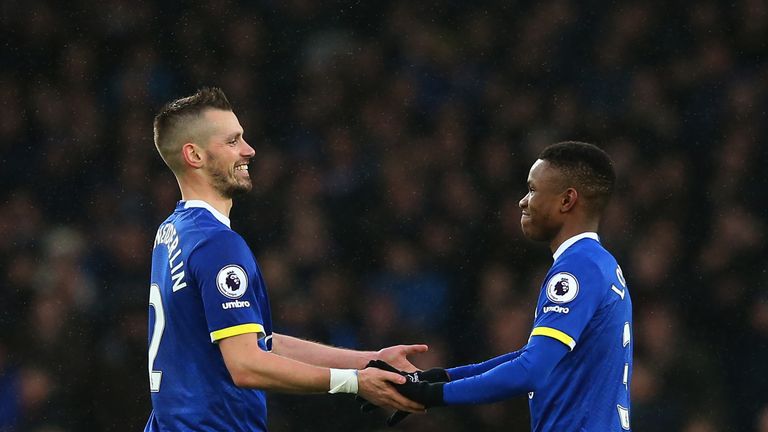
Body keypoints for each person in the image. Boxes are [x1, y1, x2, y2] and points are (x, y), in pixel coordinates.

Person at [144, 87, 425, 431]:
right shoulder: (217, 245)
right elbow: (246, 364)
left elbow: (262, 344)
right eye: (232, 142)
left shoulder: (173, 231)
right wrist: (353, 382)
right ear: (195, 155)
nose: (249, 150)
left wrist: (371, 360)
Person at [377, 142, 633, 431]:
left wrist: (433, 395)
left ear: (567, 201)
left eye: (533, 190)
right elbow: (532, 357)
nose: (523, 201)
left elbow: (531, 371)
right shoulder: (600, 264)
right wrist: (442, 378)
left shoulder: (578, 268)